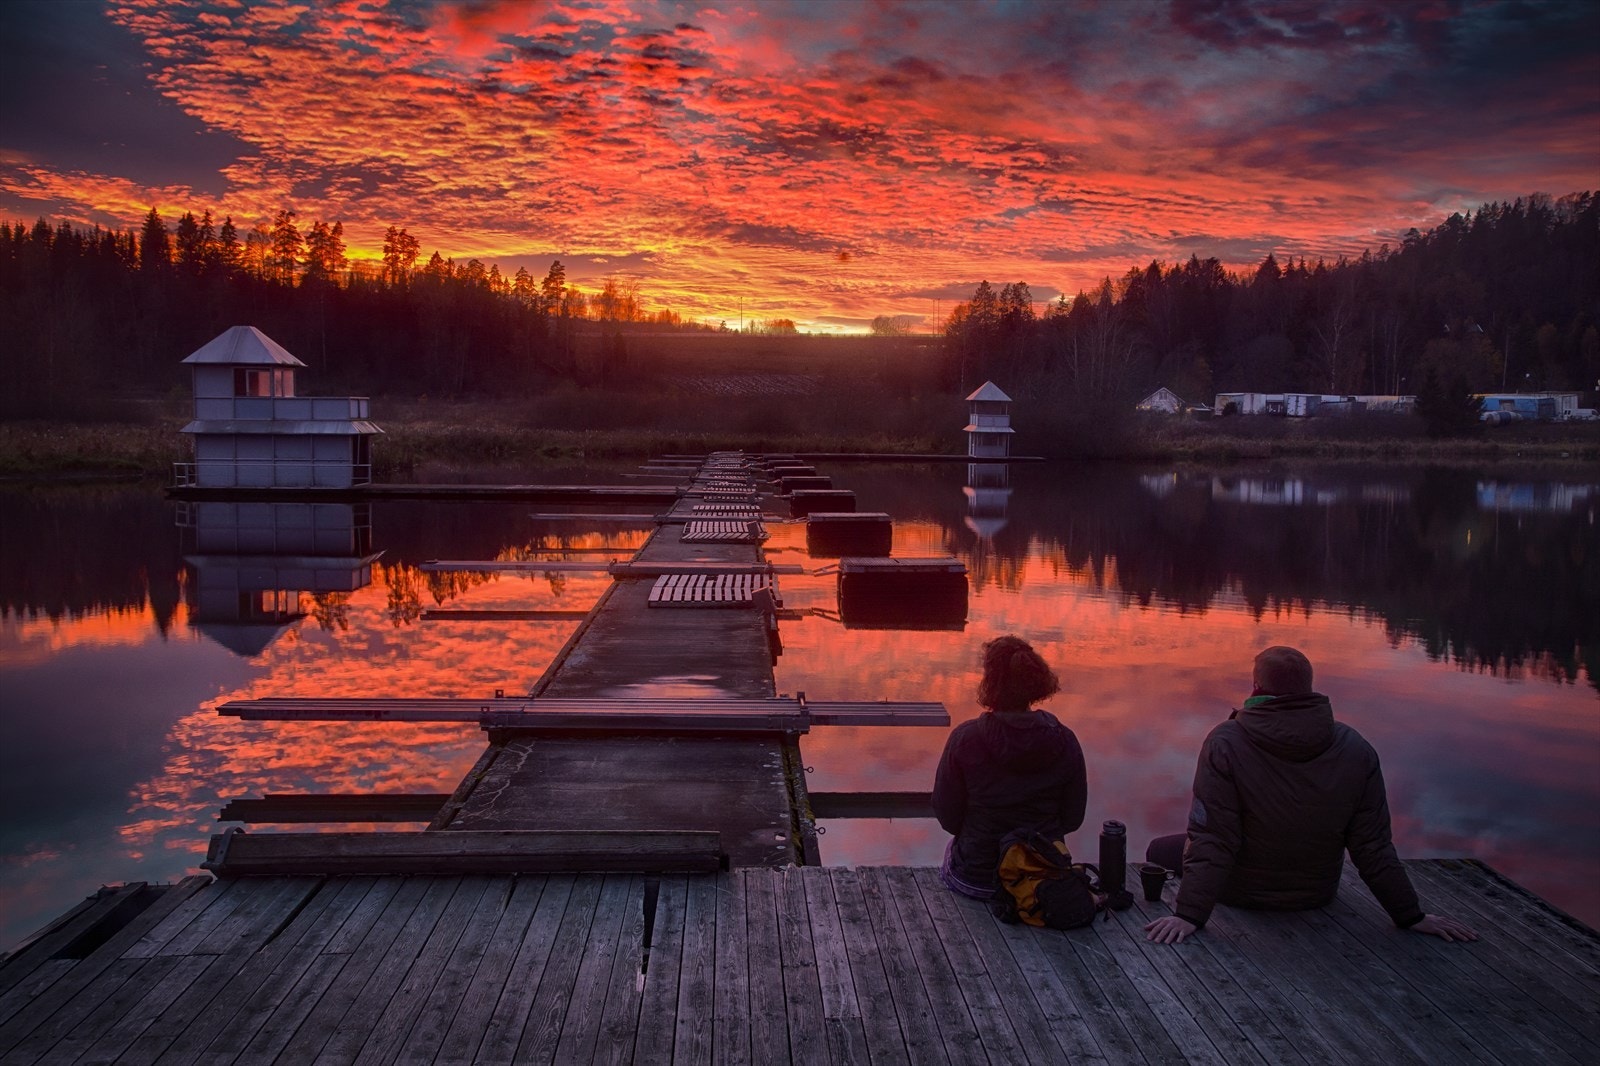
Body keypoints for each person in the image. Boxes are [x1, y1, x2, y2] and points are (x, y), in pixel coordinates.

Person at [1144, 646, 1477, 944]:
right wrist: (1411, 915)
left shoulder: (1226, 741)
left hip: (1240, 892)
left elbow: (1214, 837)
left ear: (1257, 688)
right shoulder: (1356, 748)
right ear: (1308, 689)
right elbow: (1372, 845)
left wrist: (1188, 915)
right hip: (1316, 893)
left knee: (1160, 849)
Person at [934, 635, 1087, 899]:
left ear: (989, 681)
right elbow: (1073, 818)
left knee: (951, 848)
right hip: (1042, 880)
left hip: (978, 880)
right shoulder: (1066, 739)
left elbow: (947, 817)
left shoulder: (965, 738)